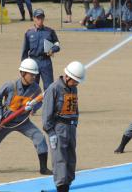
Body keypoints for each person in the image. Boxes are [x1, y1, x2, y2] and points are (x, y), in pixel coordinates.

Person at [42, 61, 86, 192]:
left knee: (71, 159)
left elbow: (75, 108)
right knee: (60, 160)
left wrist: (75, 124)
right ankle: (61, 188)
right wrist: (51, 133)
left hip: (71, 128)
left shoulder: (74, 88)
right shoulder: (53, 88)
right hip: (59, 128)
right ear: (67, 77)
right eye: (75, 81)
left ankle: (67, 185)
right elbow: (46, 113)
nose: (77, 83)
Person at [21, 8, 60, 91]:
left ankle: (48, 103)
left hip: (46, 61)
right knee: (32, 86)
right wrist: (23, 67)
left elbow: (57, 44)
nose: (40, 20)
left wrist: (53, 50)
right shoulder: (29, 33)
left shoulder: (50, 31)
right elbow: (25, 51)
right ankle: (33, 104)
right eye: (38, 18)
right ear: (34, 18)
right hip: (33, 62)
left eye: (42, 18)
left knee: (49, 87)